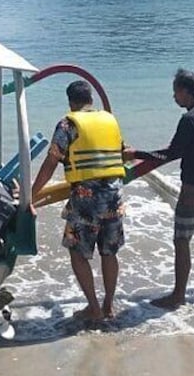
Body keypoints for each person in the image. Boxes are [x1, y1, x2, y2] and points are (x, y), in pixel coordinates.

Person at [124, 68, 194, 309]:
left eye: (176, 92)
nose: (174, 97)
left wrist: (136, 154)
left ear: (186, 92)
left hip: (193, 190)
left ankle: (178, 296)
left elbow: (170, 154)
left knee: (181, 242)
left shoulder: (188, 120)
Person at [32, 80, 126, 322]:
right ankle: (108, 306)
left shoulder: (68, 124)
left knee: (77, 252)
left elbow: (52, 161)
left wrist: (32, 194)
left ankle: (93, 308)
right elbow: (122, 151)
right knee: (109, 252)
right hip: (115, 196)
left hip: (87, 199)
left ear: (71, 102)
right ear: (91, 99)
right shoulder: (109, 120)